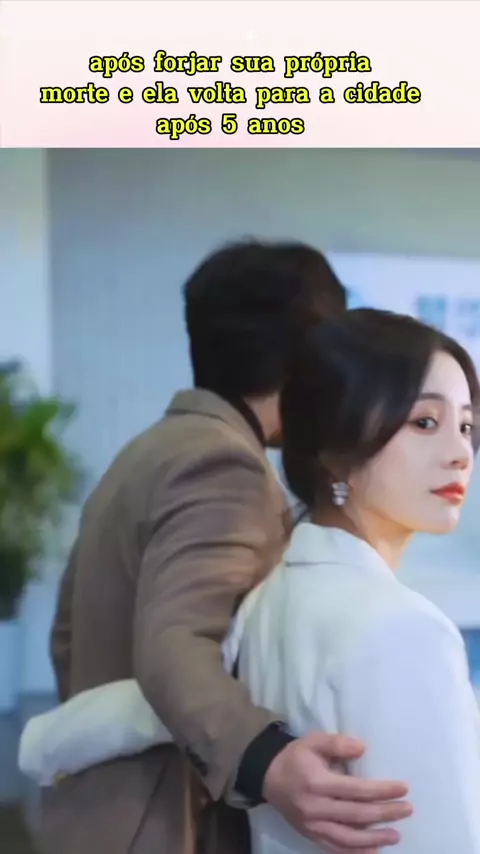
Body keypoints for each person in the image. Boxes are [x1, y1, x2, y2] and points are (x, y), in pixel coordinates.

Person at [22, 308, 480, 853]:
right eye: (425, 422)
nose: (460, 454)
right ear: (336, 445)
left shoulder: (267, 602)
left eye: (467, 426)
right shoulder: (405, 631)